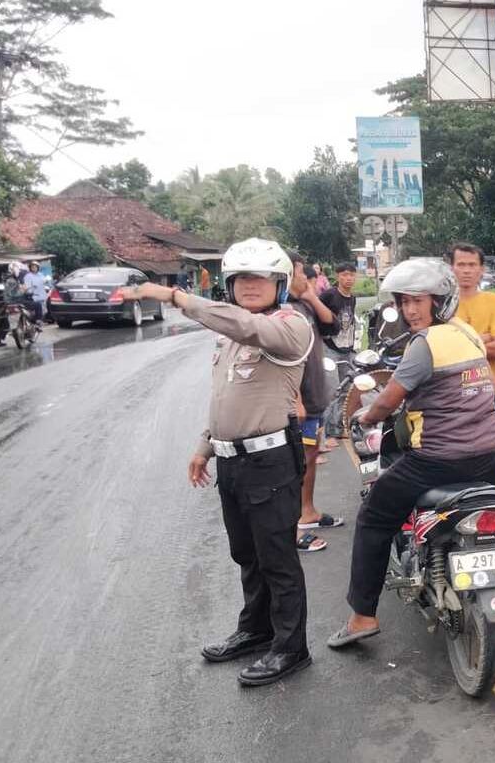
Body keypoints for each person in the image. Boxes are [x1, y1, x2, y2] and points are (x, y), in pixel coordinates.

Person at [120, 237, 315, 687]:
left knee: (277, 558)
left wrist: (175, 296)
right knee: (247, 554)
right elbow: (225, 397)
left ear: (280, 283)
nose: (250, 285)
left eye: (261, 277)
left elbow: (249, 328)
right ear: (230, 284)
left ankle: (291, 647)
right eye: (241, 278)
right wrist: (204, 445)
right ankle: (256, 630)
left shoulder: (289, 326)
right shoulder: (230, 335)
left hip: (270, 461)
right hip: (232, 463)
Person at [327, 258, 495, 648]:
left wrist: (364, 415)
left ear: (439, 301)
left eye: (418, 302)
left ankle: (361, 618)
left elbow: (388, 401)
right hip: (492, 453)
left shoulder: (425, 344)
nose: (410, 311)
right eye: (405, 302)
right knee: (493, 515)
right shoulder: (468, 334)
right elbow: (491, 389)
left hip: (438, 461)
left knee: (374, 517)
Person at [284, 253, 341, 553]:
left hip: (314, 397)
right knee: (296, 463)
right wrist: (295, 397)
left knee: (310, 454)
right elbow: (281, 358)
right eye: (297, 273)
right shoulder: (281, 310)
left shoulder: (304, 304)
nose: (303, 278)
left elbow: (332, 325)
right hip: (300, 400)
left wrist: (311, 296)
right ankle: (291, 528)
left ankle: (309, 512)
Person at [450, 243, 495, 386]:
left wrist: (459, 345)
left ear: (482, 269)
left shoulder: (493, 301)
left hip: (487, 388)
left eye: (472, 265)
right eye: (461, 265)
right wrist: (483, 338)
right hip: (452, 390)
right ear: (452, 268)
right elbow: (440, 348)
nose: (467, 270)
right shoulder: (443, 305)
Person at [308, 262, 358, 375]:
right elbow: (314, 313)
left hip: (346, 348)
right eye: (344, 275)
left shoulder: (352, 298)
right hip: (329, 347)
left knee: (347, 385)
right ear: (337, 276)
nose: (348, 278)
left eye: (351, 275)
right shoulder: (329, 295)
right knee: (332, 384)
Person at [0, 262, 33, 347]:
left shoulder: (13, 279)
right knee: (33, 308)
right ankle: (36, 323)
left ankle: (0, 339)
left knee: (7, 321)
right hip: (15, 302)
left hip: (10, 303)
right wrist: (24, 291)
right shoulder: (12, 280)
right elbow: (14, 293)